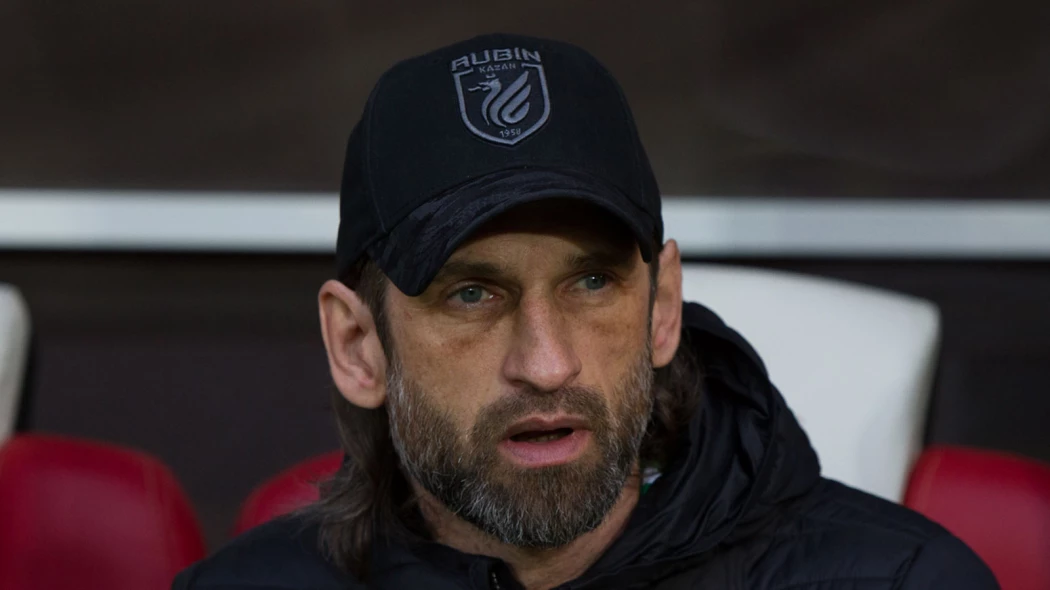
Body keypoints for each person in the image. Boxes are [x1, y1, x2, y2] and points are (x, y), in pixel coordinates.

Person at [173, 33, 997, 590]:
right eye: (472, 294)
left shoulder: (901, 581)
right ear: (358, 345)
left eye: (593, 283)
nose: (547, 364)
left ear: (662, 308)